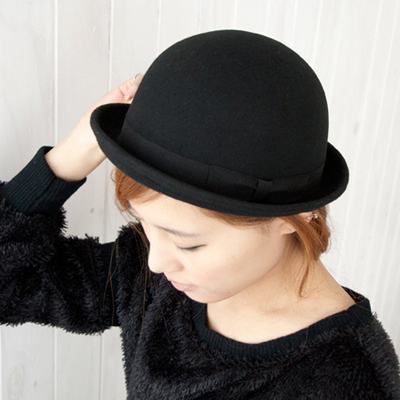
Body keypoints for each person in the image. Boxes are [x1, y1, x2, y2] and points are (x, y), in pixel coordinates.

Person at [0, 30, 399, 399]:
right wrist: (76, 150)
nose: (156, 262)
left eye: (188, 244)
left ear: (293, 215)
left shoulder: (346, 381)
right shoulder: (151, 275)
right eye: (144, 225)